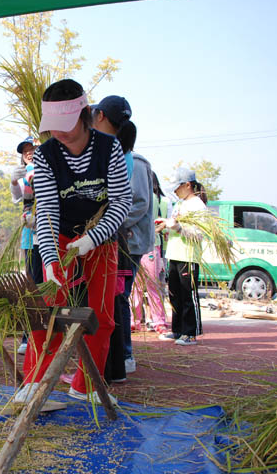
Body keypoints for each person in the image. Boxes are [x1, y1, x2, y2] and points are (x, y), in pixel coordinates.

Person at [15, 79, 131, 405]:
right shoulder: (48, 155)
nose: (60, 134)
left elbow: (121, 202)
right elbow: (48, 210)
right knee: (48, 312)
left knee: (102, 316)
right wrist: (51, 260)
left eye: (66, 126)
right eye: (53, 128)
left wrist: (92, 239)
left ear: (85, 115)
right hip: (60, 236)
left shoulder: (110, 150)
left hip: (101, 239)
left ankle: (86, 386)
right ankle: (35, 384)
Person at [91, 97, 154, 380]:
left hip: (127, 241)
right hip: (113, 237)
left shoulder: (134, 162)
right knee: (113, 299)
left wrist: (108, 224)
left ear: (100, 116)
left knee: (118, 299)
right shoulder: (107, 153)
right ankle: (111, 360)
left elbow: (136, 202)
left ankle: (123, 355)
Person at [155, 167, 207, 346]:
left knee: (188, 295)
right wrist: (166, 225)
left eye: (177, 187)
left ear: (187, 185)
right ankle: (177, 330)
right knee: (174, 294)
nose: (175, 191)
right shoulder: (180, 204)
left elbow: (199, 233)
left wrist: (177, 227)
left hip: (189, 256)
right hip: (174, 254)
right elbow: (175, 223)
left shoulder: (197, 205)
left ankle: (191, 332)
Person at [9, 136, 42, 355]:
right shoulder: (24, 174)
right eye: (25, 151)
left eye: (32, 149)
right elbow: (17, 196)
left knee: (44, 285)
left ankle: (43, 335)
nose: (28, 153)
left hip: (49, 235)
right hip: (30, 237)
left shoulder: (48, 171)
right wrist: (13, 182)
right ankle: (27, 335)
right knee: (30, 284)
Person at [133, 171, 170, 334]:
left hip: (138, 246)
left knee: (137, 287)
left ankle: (134, 320)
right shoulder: (163, 201)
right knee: (154, 287)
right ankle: (158, 321)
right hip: (154, 247)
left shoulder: (144, 199)